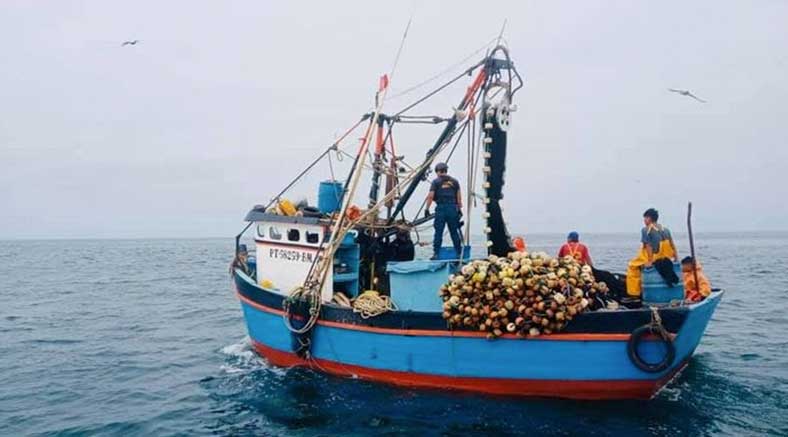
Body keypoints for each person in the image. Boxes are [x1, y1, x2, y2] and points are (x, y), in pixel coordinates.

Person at [625, 208, 678, 296]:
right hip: (667, 257)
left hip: (654, 257)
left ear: (649, 218)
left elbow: (648, 246)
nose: (644, 220)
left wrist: (650, 261)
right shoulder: (665, 229)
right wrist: (676, 257)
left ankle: (634, 293)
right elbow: (672, 244)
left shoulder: (645, 230)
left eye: (645, 218)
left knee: (632, 267)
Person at [425, 162, 463, 260]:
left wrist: (427, 209)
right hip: (452, 209)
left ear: (437, 171)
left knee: (438, 232)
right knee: (454, 232)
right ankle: (459, 253)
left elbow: (430, 196)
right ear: (446, 170)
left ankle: (436, 254)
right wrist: (459, 209)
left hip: (441, 209)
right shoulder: (455, 182)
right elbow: (459, 198)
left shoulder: (435, 182)